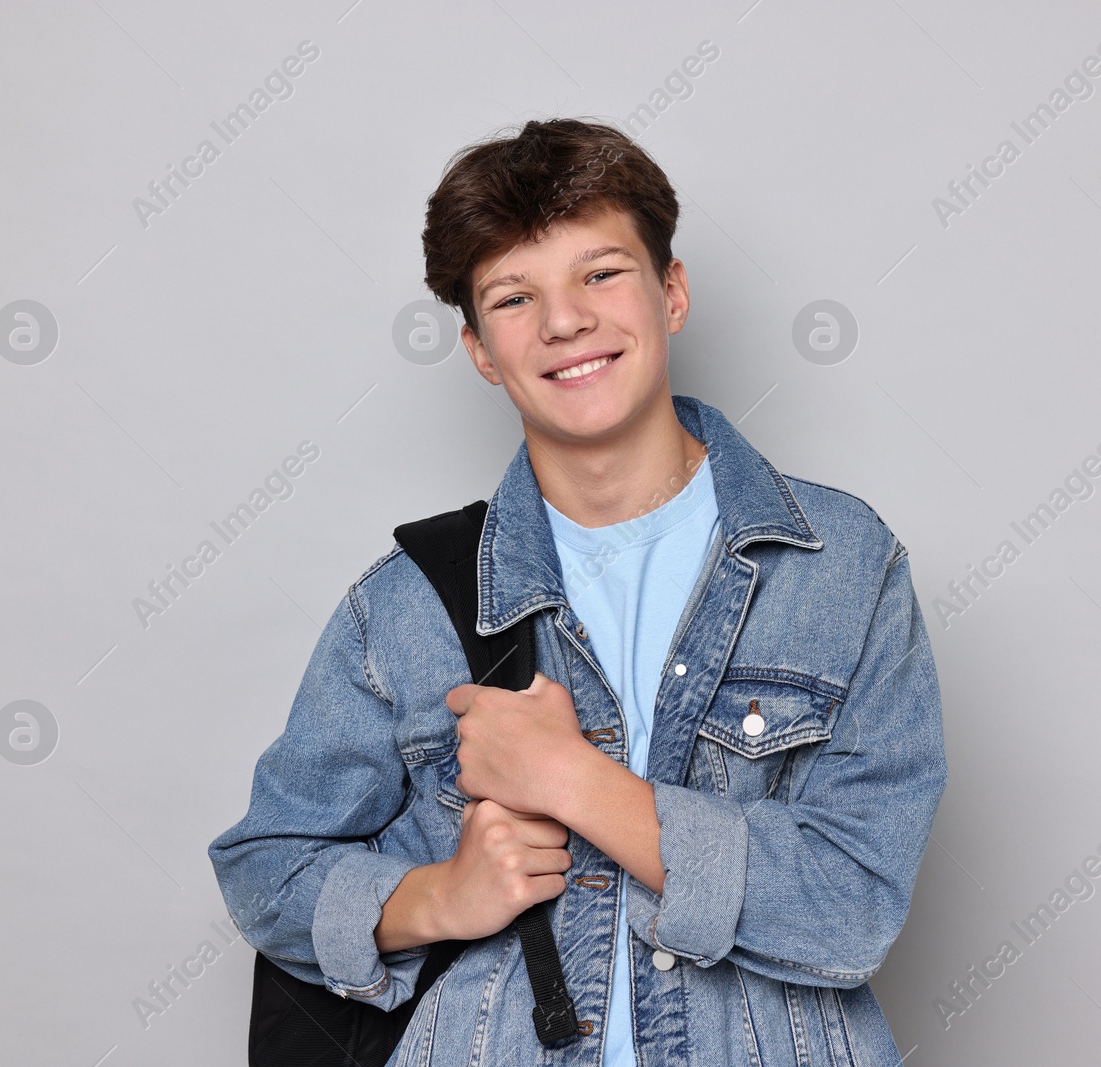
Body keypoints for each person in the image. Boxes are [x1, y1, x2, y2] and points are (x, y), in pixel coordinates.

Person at [209, 117, 947, 1067]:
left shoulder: (842, 564)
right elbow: (265, 865)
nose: (565, 322)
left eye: (601, 273)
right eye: (516, 297)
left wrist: (572, 781)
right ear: (480, 349)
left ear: (670, 292)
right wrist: (438, 896)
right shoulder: (406, 605)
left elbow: (853, 907)